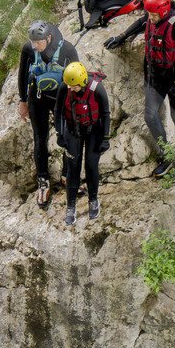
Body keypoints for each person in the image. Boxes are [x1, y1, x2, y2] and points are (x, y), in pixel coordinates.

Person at [105, 0, 175, 178]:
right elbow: (140, 23)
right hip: (156, 76)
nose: (150, 18)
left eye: (153, 15)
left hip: (174, 77)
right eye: (149, 14)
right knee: (150, 116)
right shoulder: (153, 16)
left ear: (164, 10)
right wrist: (122, 36)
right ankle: (167, 155)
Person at [16, 20, 81, 206]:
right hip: (36, 98)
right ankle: (43, 181)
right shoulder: (29, 49)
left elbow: (77, 74)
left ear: (49, 37)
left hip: (61, 99)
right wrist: (22, 101)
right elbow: (22, 74)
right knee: (40, 138)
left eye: (38, 43)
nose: (35, 46)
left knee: (68, 136)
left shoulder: (67, 49)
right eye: (33, 42)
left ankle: (67, 175)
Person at [59, 62, 110, 226]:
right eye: (69, 86)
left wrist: (106, 138)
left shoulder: (97, 89)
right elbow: (58, 111)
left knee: (91, 165)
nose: (70, 89)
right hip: (73, 130)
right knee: (73, 168)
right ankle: (71, 206)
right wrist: (60, 135)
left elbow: (106, 114)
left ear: (81, 82)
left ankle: (93, 200)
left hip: (93, 129)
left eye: (73, 86)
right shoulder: (65, 88)